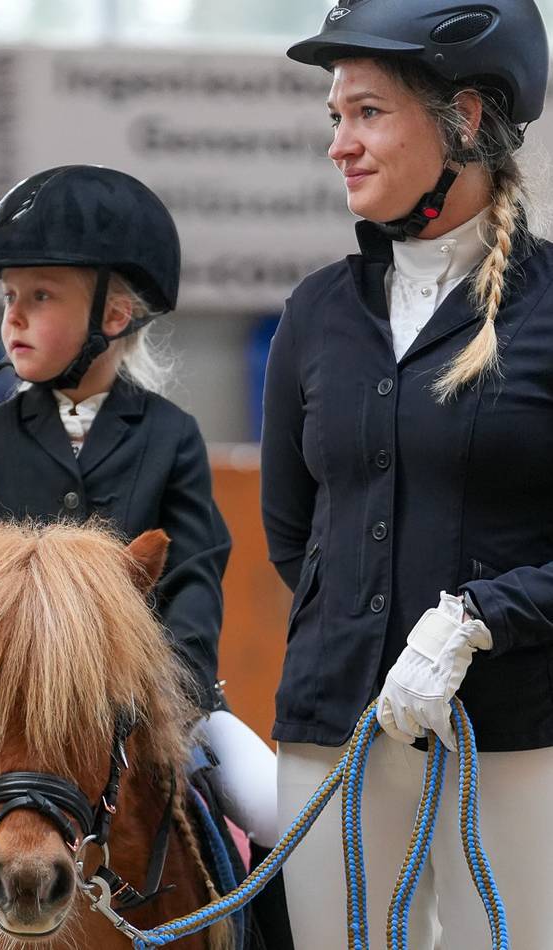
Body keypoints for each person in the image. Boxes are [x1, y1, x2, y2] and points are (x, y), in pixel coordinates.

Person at [0, 165, 280, 950]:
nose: (14, 318)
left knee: (277, 804)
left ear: (113, 313)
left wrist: (165, 692)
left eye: (40, 296)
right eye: (8, 298)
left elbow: (195, 572)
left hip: (149, 705)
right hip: (6, 709)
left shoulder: (170, 435)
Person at [261, 0, 553, 946]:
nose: (341, 144)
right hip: (333, 731)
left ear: (465, 118)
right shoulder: (314, 315)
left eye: (370, 113)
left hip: (512, 735)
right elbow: (290, 533)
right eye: (335, 117)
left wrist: (478, 621)